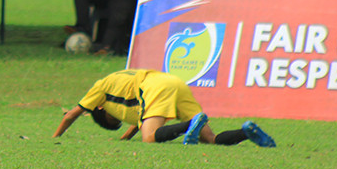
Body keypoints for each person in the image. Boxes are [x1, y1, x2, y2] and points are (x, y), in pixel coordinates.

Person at [52, 68, 276, 147]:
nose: (119, 118)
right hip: (174, 81)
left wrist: (55, 137)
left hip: (155, 86)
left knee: (149, 139)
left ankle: (189, 125)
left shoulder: (100, 88)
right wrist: (124, 138)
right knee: (211, 139)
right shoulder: (120, 86)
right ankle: (246, 131)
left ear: (100, 109)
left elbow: (72, 114)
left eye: (114, 119)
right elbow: (141, 122)